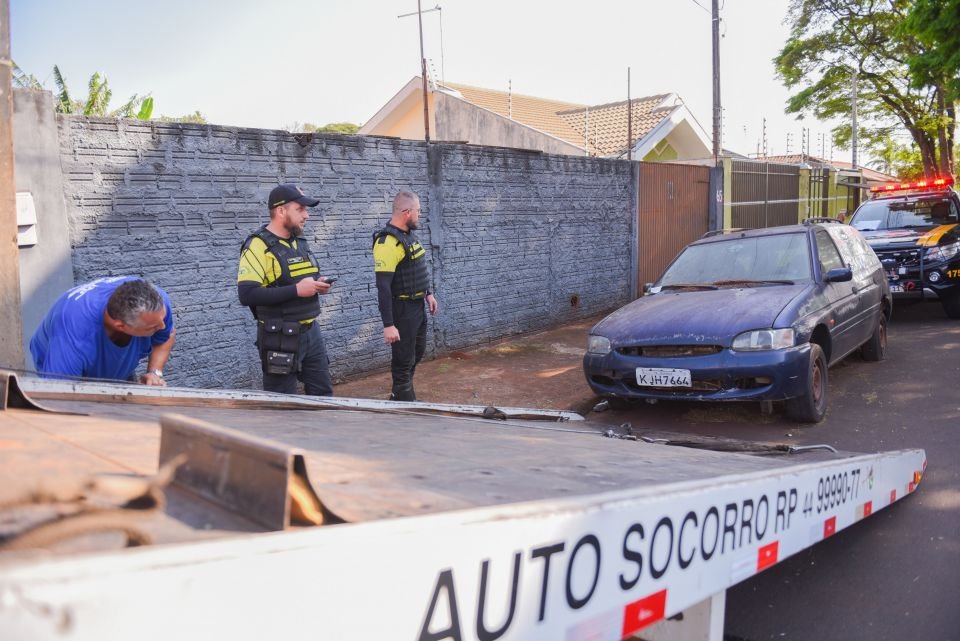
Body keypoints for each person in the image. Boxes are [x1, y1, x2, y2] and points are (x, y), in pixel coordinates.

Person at [237, 183, 335, 396]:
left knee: (324, 397)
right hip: (279, 337)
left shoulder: (298, 240)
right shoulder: (257, 245)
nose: (307, 215)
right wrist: (297, 291)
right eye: (300, 209)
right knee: (281, 404)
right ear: (281, 211)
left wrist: (318, 282)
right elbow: (246, 294)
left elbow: (299, 276)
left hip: (311, 332)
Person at [30, 276, 175, 385]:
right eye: (152, 328)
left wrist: (154, 373)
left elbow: (166, 335)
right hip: (69, 365)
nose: (162, 327)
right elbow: (59, 397)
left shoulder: (157, 303)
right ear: (121, 326)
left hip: (115, 360)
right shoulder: (74, 336)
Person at [372, 190, 438, 401]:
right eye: (418, 211)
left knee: (416, 352)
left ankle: (400, 394)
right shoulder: (387, 243)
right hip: (402, 309)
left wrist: (428, 293)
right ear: (407, 212)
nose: (420, 214)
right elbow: (383, 287)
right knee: (403, 358)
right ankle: (403, 399)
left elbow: (416, 266)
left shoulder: (408, 235)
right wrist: (388, 324)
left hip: (417, 305)